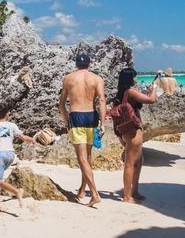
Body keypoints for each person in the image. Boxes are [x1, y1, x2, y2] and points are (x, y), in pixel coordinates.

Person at [58, 53, 106, 207]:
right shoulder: (97, 79)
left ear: (76, 64)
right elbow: (102, 100)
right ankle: (82, 190)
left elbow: (61, 105)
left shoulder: (69, 78)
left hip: (77, 116)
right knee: (88, 157)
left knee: (82, 159)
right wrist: (103, 123)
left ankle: (94, 194)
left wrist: (67, 121)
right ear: (89, 64)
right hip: (92, 117)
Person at [0, 103, 36, 210]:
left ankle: (17, 191)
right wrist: (32, 140)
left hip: (0, 155)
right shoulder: (12, 125)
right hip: (10, 155)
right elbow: (23, 137)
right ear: (7, 114)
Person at [113, 67, 157, 203]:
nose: (136, 79)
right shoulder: (130, 91)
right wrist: (154, 88)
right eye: (134, 76)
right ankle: (127, 196)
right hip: (133, 132)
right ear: (130, 79)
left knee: (138, 161)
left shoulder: (122, 93)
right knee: (130, 163)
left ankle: (135, 192)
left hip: (125, 131)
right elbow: (151, 100)